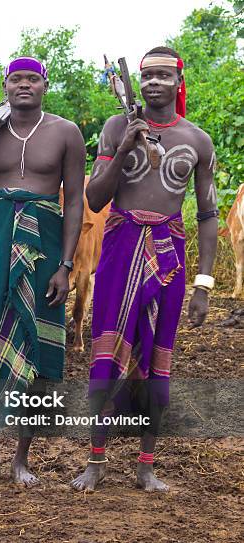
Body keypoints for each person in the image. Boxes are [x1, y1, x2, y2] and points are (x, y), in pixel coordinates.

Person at [71, 46, 218, 493]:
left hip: (169, 254)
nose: (154, 83)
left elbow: (208, 216)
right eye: (147, 75)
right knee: (106, 353)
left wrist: (204, 285)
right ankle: (96, 461)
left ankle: (146, 465)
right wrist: (125, 148)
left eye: (163, 76)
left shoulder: (197, 140)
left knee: (158, 359)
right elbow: (96, 198)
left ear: (178, 82)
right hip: (120, 249)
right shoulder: (117, 127)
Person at [0, 56, 86, 486]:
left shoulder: (66, 133)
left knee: (36, 353)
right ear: (6, 85)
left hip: (44, 251)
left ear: (45, 84)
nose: (24, 85)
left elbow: (74, 204)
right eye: (16, 79)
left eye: (32, 78)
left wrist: (66, 266)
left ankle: (20, 460)